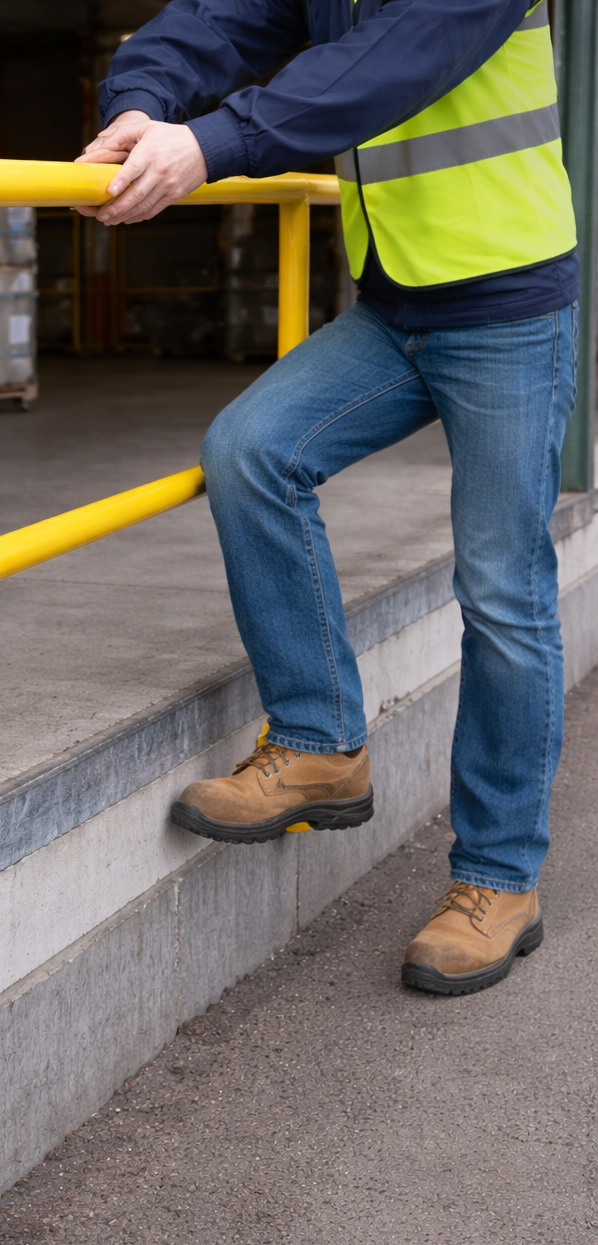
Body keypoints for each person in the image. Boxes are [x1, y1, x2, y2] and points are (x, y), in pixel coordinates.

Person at [76, 0, 578, 997]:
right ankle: (319, 744)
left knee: (500, 588)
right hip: (396, 307)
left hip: (507, 305)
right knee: (251, 451)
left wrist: (207, 145)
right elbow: (217, 19)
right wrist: (141, 102)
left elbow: (392, 61)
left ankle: (497, 880)